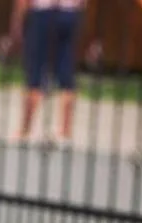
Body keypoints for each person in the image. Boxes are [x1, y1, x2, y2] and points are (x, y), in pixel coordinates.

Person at [13, 0, 87, 140]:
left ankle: (25, 129)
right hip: (69, 12)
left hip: (43, 11)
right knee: (66, 68)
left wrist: (18, 19)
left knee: (35, 69)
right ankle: (65, 130)